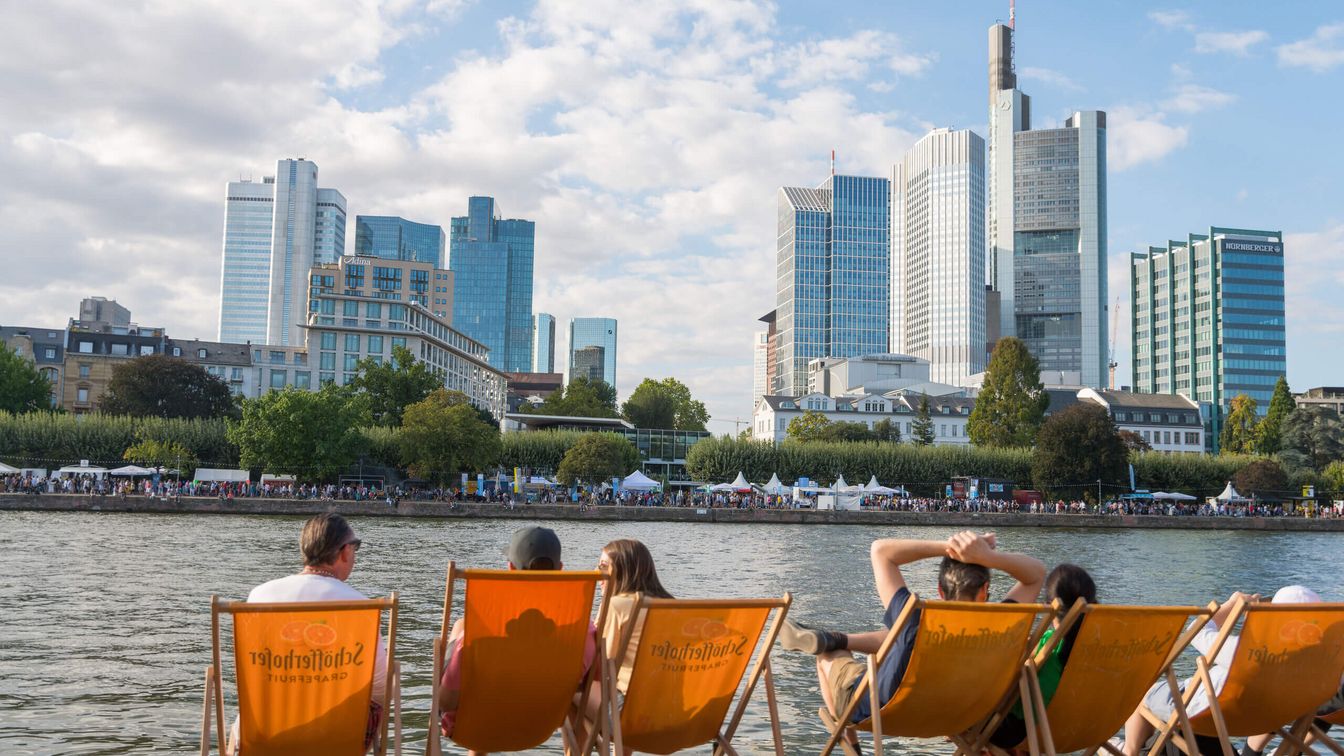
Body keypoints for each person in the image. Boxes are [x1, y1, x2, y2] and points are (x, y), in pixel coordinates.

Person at [778, 531, 1046, 745]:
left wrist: (949, 546)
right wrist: (987, 557)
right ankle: (841, 638)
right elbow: (1037, 574)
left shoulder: (916, 617)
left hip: (882, 712)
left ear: (940, 591)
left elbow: (880, 551)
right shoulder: (1002, 623)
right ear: (986, 590)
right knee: (901, 638)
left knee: (827, 657)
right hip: (958, 713)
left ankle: (850, 739)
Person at [228, 513, 386, 755]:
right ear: (344, 552)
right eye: (356, 547)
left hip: (268, 733)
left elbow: (251, 675)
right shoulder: (361, 605)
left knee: (244, 718)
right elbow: (380, 687)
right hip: (338, 738)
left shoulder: (260, 595)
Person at [436, 525, 597, 756]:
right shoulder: (584, 635)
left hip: (473, 727)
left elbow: (446, 702)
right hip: (540, 727)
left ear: (510, 568)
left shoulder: (479, 635)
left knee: (461, 628)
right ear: (560, 569)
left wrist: (453, 643)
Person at [1122, 585, 1323, 756]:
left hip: (1205, 714)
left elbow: (1197, 631)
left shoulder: (1249, 652)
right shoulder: (1318, 664)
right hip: (1259, 721)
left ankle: (1128, 752)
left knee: (1146, 691)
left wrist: (1231, 604)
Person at [570, 538, 675, 745]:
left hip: (628, 715)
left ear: (622, 570)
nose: (596, 571)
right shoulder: (671, 607)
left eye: (602, 566)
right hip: (671, 711)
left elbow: (599, 669)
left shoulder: (618, 606)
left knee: (569, 689)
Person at [988, 563, 1098, 750]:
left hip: (1022, 733)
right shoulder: (1101, 648)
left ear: (1050, 606)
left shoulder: (1049, 646)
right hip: (1082, 730)